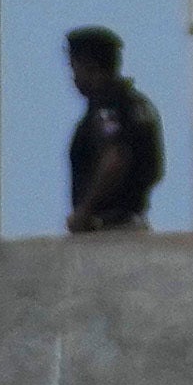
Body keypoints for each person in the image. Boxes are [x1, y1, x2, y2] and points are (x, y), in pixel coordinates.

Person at [58, 19, 164, 235]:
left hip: (109, 228)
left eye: (74, 67)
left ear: (90, 66)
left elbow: (115, 158)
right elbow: (156, 169)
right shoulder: (138, 105)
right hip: (134, 224)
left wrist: (85, 212)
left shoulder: (107, 108)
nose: (74, 77)